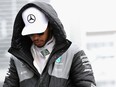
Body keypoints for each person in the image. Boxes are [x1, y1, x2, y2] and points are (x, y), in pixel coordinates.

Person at [3, 1, 96, 87]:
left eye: (40, 32)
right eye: (31, 34)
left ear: (50, 26)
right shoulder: (17, 59)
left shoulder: (73, 53)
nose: (35, 38)